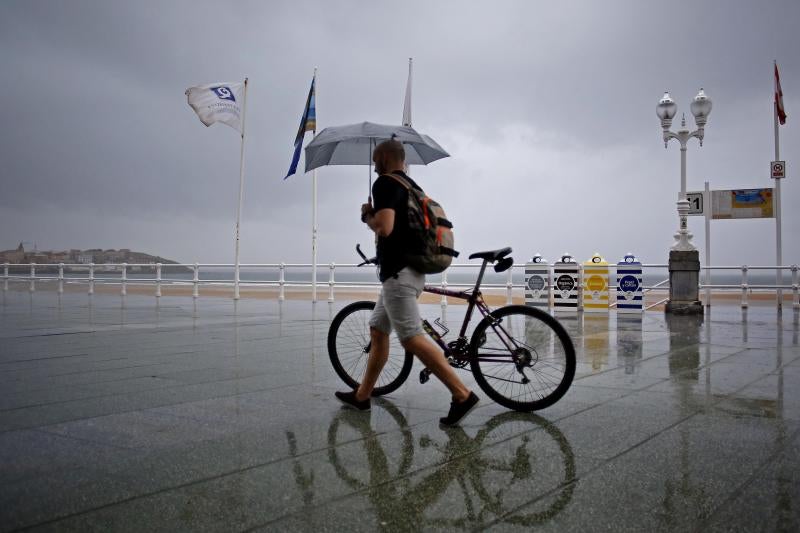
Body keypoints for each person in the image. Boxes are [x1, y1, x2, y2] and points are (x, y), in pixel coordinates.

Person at [335, 139, 479, 426]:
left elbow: (385, 227)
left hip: (399, 274)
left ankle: (462, 394)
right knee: (378, 330)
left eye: (375, 159)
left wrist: (367, 216)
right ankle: (362, 396)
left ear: (387, 157)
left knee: (411, 337)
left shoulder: (385, 184)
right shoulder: (411, 186)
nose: (374, 166)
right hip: (408, 272)